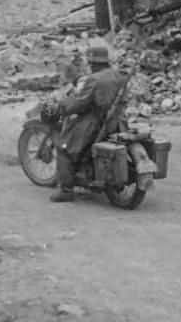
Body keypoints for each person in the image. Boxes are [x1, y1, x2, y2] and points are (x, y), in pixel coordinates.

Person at [48, 41, 128, 203]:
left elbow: (79, 102)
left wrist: (62, 106)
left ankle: (66, 190)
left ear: (91, 62)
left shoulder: (93, 80)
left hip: (94, 122)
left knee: (64, 146)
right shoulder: (118, 75)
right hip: (115, 120)